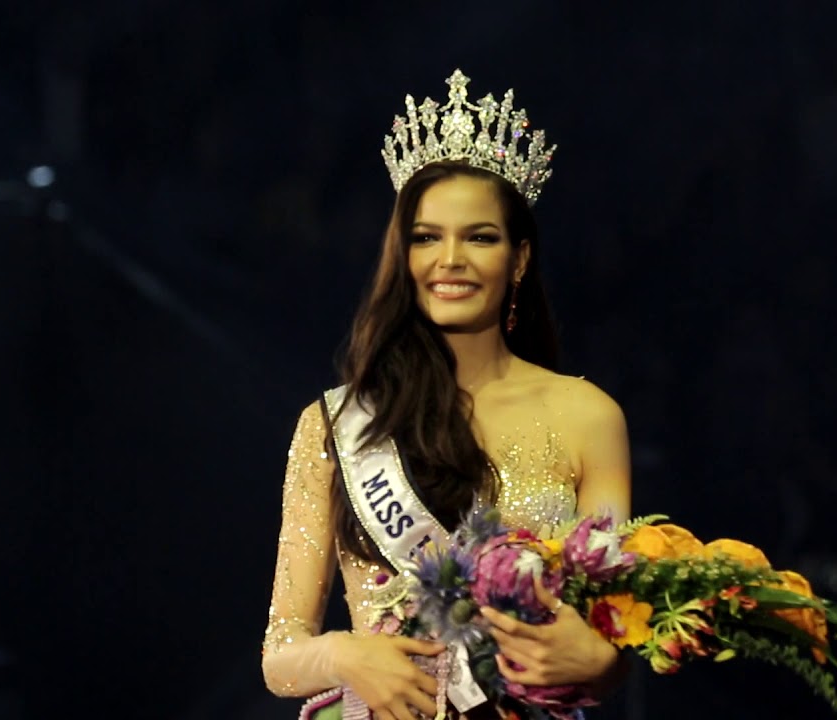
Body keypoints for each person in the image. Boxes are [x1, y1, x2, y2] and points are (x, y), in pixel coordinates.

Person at [262, 69, 632, 720]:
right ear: (402, 256)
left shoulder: (589, 416)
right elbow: (281, 651)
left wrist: (601, 661)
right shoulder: (336, 423)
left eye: (479, 237)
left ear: (518, 260)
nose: (450, 259)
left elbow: (612, 629)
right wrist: (346, 655)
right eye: (428, 237)